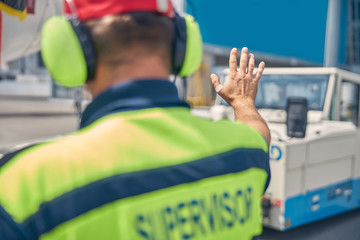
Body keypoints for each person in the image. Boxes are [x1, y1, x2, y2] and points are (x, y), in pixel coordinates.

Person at [0, 0, 270, 239]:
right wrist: (243, 102)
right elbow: (257, 132)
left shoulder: (24, 188)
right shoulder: (244, 154)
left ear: (71, 50)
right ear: (182, 49)